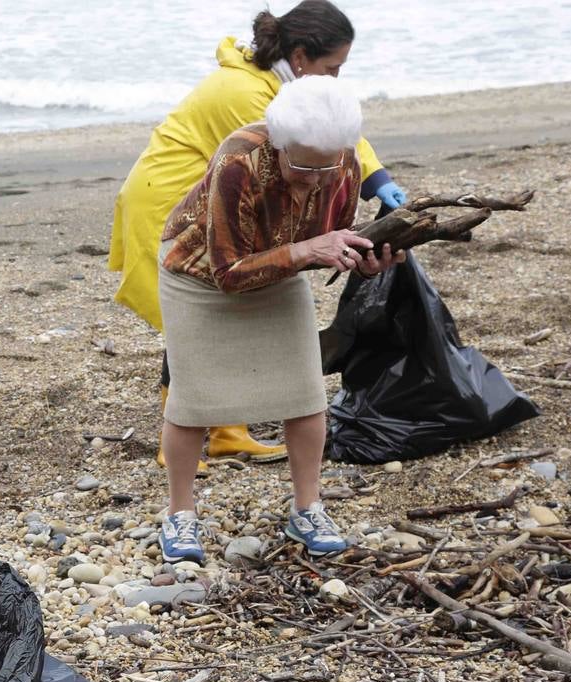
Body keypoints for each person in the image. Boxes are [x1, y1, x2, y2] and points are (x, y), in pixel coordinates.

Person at [108, 0, 405, 468]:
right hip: (172, 200)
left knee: (225, 312)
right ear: (302, 55)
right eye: (333, 68)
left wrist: (377, 178)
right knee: (194, 322)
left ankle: (228, 433)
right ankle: (179, 440)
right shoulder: (247, 94)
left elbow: (333, 131)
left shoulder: (286, 83)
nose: (335, 80)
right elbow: (300, 142)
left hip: (222, 194)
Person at [156, 76, 403, 564]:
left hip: (279, 270)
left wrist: (362, 257)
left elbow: (333, 235)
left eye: (326, 166)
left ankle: (307, 508)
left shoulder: (342, 161)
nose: (316, 178)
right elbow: (228, 271)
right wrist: (310, 248)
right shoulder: (238, 160)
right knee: (193, 398)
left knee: (306, 392)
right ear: (279, 141)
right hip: (199, 272)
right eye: (303, 166)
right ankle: (180, 515)